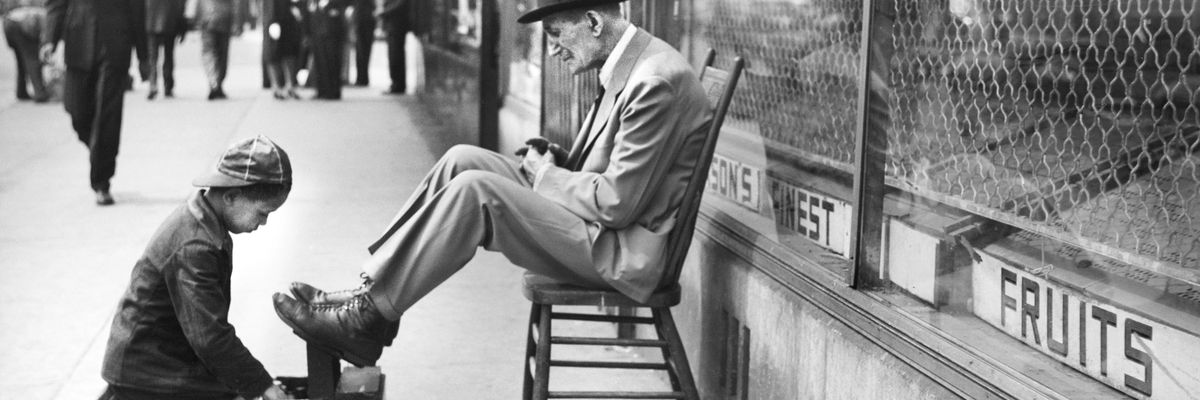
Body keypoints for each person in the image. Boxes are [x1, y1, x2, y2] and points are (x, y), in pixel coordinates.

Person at [272, 0, 713, 367]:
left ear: (594, 23)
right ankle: (374, 300)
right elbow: (612, 174)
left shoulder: (653, 80)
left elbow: (618, 203)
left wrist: (544, 175)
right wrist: (556, 162)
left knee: (476, 191)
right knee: (461, 160)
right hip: (603, 227)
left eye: (557, 34)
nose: (553, 49)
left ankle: (364, 319)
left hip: (622, 253)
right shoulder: (633, 63)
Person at [99, 136, 294, 400]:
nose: (264, 222)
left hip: (163, 357)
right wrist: (262, 385)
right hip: (147, 370)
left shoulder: (207, 223)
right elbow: (210, 337)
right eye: (262, 213)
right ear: (231, 196)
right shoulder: (195, 245)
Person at [41, 0, 147, 205]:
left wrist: (143, 56)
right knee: (77, 113)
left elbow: (137, 9)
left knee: (108, 116)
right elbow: (56, 4)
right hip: (78, 41)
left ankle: (102, 181)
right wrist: (49, 39)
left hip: (116, 45)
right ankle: (100, 151)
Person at [192, 0, 245, 100]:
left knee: (209, 53)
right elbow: (236, 4)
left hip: (208, 19)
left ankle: (214, 82)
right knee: (222, 55)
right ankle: (217, 83)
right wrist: (237, 23)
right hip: (224, 20)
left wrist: (195, 18)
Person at [3, 0, 47, 102]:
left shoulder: (40, 12)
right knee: (32, 60)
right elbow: (45, 38)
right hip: (21, 26)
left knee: (21, 61)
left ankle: (21, 92)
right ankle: (40, 93)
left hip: (8, 23)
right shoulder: (47, 16)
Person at [144, 0, 187, 100]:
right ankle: (168, 86)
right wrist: (182, 29)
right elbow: (180, 7)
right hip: (169, 23)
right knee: (168, 56)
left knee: (152, 57)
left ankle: (153, 85)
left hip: (152, 23)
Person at [305, 0, 347, 99]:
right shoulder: (314, 2)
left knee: (332, 63)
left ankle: (333, 91)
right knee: (320, 64)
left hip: (332, 37)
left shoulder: (336, 3)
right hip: (317, 36)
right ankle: (321, 90)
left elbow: (340, 21)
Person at [262, 0, 303, 99]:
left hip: (288, 20)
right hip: (273, 20)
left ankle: (290, 85)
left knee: (290, 54)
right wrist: (272, 21)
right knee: (273, 54)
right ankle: (276, 87)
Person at [377, 0, 407, 95]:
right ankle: (396, 83)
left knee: (396, 56)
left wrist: (383, 12)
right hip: (392, 25)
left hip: (397, 25)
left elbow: (400, 4)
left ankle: (398, 85)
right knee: (393, 55)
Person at [348, 0, 372, 86]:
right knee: (360, 53)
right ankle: (361, 78)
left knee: (362, 52)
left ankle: (362, 79)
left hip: (364, 22)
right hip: (362, 21)